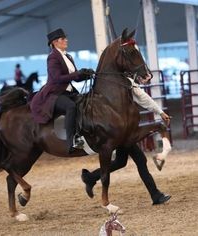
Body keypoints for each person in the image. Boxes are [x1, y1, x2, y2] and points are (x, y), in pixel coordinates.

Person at [81, 77, 171, 205]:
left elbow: (142, 97)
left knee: (121, 162)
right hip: (120, 130)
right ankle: (155, 195)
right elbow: (141, 96)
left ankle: (90, 178)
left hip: (123, 129)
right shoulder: (121, 80)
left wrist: (160, 111)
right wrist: (160, 112)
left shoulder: (120, 79)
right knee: (140, 160)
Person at [30, 28, 94, 153]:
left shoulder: (68, 56)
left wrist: (85, 74)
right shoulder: (52, 57)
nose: (66, 40)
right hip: (54, 93)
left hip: (68, 91)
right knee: (71, 107)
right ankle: (71, 141)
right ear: (55, 42)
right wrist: (77, 74)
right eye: (63, 39)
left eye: (65, 38)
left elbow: (74, 78)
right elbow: (57, 78)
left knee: (84, 102)